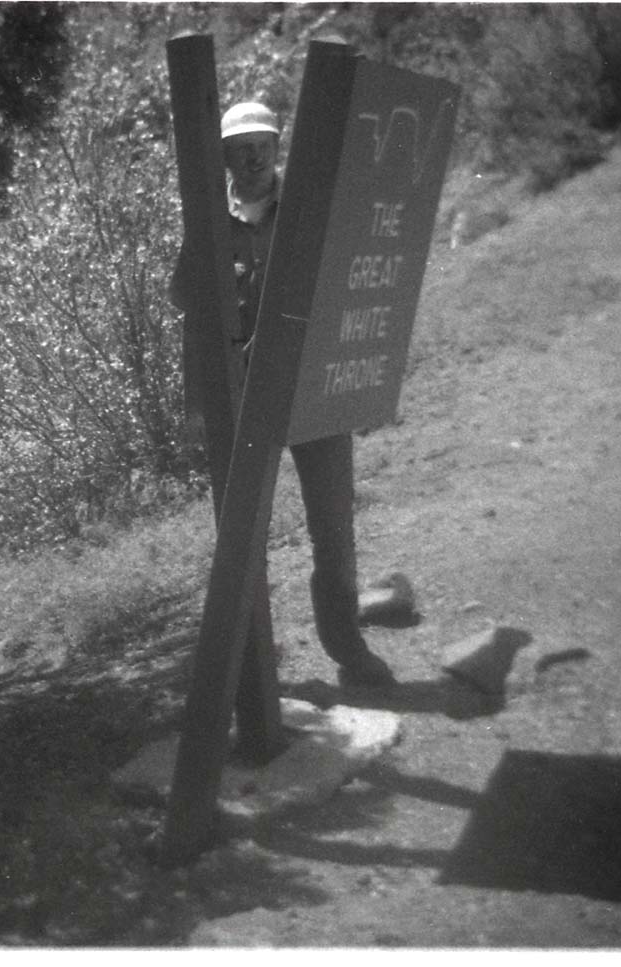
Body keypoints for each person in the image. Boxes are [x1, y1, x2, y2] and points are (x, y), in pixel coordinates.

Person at [169, 101, 396, 689]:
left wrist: (356, 378)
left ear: (277, 146)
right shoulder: (209, 219)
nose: (253, 156)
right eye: (241, 147)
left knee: (333, 526)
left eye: (263, 144)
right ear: (225, 156)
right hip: (244, 397)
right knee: (245, 533)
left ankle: (349, 651)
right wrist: (197, 405)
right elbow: (185, 302)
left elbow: (351, 280)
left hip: (311, 386)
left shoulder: (308, 210)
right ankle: (257, 670)